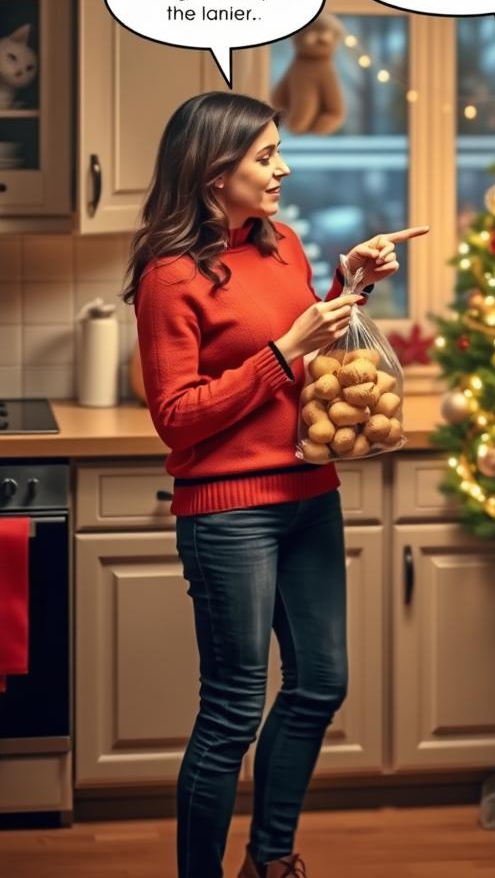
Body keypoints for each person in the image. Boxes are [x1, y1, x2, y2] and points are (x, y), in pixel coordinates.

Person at [123, 91, 428, 878]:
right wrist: (285, 350)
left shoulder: (283, 244)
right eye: (265, 156)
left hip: (308, 497)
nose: (282, 167)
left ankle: (270, 860)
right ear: (213, 171)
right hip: (230, 515)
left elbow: (302, 352)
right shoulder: (170, 277)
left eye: (278, 151)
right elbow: (178, 416)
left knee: (323, 682)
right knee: (230, 711)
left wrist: (347, 290)